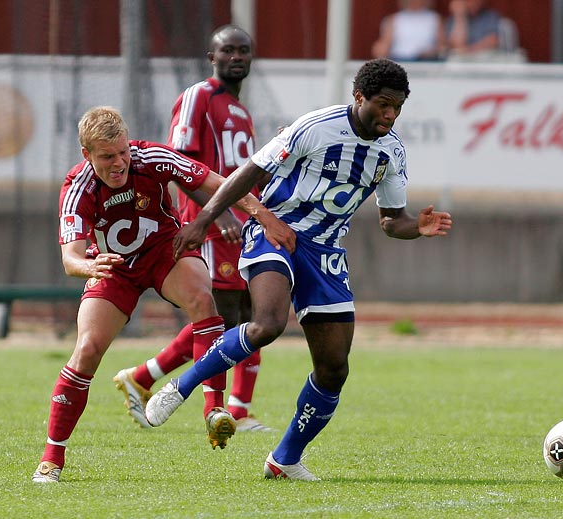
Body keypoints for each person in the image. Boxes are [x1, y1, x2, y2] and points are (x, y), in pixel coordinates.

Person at [145, 58, 453, 481]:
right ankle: (181, 387)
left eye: (397, 106)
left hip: (326, 255)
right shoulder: (315, 127)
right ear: (359, 96)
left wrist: (414, 227)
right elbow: (248, 171)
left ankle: (284, 458)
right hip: (277, 233)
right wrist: (204, 218)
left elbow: (390, 219)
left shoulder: (391, 151)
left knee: (334, 369)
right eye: (383, 104)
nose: (390, 114)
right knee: (267, 323)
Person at [31, 106, 294, 483]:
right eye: (107, 156)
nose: (119, 162)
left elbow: (220, 183)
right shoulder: (77, 188)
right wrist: (90, 267)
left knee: (205, 301)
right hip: (113, 269)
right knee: (86, 350)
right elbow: (71, 258)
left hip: (164, 252)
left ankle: (213, 410)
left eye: (122, 151)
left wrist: (263, 216)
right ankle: (51, 459)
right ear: (87, 155)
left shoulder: (150, 157)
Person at [113, 25, 271, 433]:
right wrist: (215, 216)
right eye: (228, 50)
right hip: (212, 224)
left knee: (250, 313)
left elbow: (240, 173)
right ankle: (229, 407)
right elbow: (179, 162)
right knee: (224, 315)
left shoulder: (240, 110)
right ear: (211, 56)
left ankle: (147, 378)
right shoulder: (198, 96)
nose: (237, 57)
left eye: (244, 51)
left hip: (241, 222)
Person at [371, 0, 446, 61]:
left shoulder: (434, 18)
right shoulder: (394, 19)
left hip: (425, 62)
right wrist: (380, 49)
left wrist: (431, 53)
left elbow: (442, 47)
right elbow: (384, 44)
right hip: (399, 60)